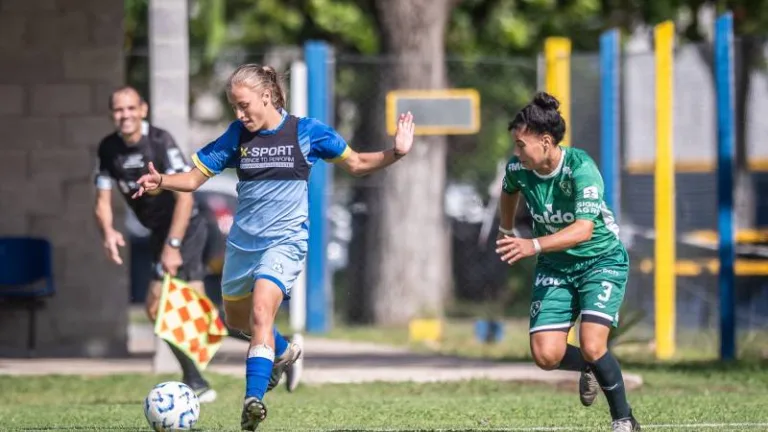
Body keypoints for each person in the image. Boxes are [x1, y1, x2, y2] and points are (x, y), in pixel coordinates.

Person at [133, 64, 415, 431]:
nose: (239, 113)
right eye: (234, 106)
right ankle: (284, 353)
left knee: (262, 313)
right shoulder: (237, 136)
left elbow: (358, 163)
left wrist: (396, 151)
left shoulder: (308, 132)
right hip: (243, 245)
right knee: (237, 321)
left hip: (285, 242)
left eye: (243, 104)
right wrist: (161, 181)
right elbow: (192, 178)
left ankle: (253, 400)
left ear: (267, 97)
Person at [495, 92, 640, 432]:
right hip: (556, 267)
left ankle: (624, 420)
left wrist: (532, 244)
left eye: (521, 144)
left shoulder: (581, 168)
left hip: (600, 260)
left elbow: (583, 231)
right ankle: (591, 366)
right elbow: (508, 189)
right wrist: (505, 226)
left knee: (592, 344)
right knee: (546, 355)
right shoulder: (520, 168)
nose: (517, 152)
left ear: (545, 142)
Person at [93, 86, 217, 403]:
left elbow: (185, 199)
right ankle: (271, 349)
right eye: (119, 110)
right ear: (112, 115)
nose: (126, 115)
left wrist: (173, 245)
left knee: (165, 307)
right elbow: (103, 199)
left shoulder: (160, 142)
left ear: (143, 109)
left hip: (185, 226)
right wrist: (108, 230)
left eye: (131, 108)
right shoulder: (108, 149)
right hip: (160, 233)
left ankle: (202, 377)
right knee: (186, 311)